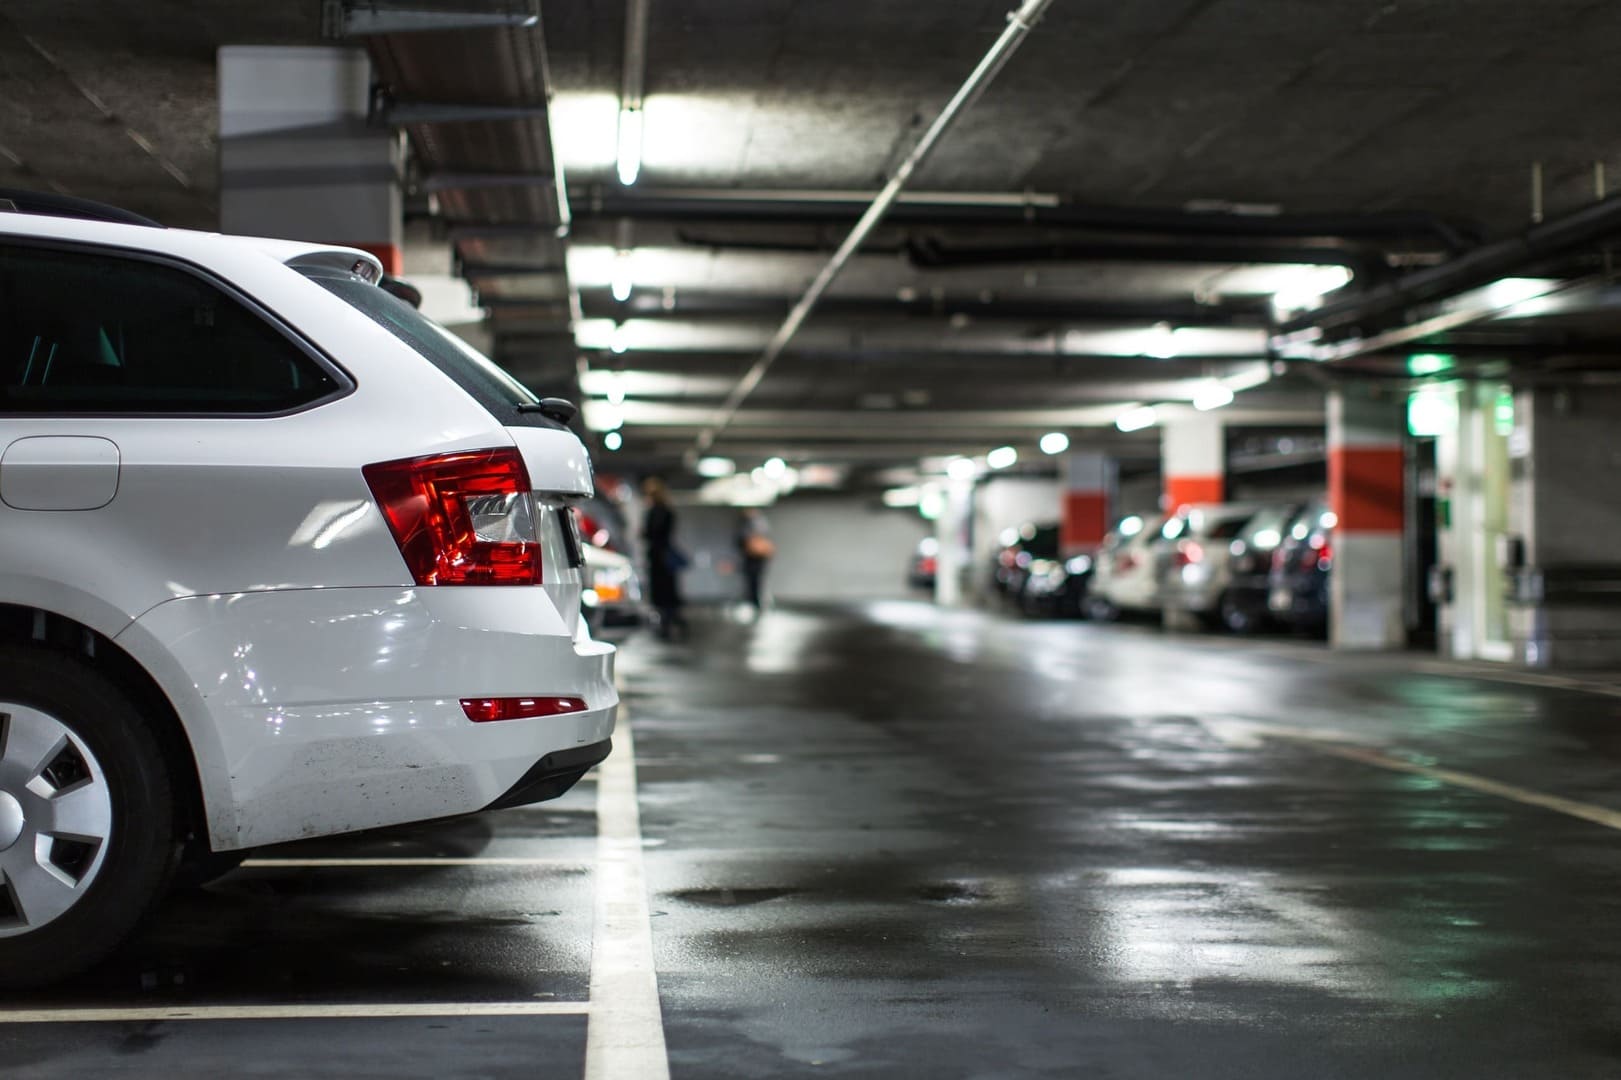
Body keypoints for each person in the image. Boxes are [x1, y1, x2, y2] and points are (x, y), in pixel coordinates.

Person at [640, 476, 688, 639]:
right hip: (664, 556)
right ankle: (673, 620)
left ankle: (667, 624)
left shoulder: (655, 512)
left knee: (662, 593)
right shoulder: (668, 510)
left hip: (658, 557)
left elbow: (650, 533)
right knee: (668, 592)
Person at [735, 507, 774, 615]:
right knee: (753, 580)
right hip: (753, 556)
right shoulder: (750, 523)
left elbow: (749, 536)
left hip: (756, 556)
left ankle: (756, 603)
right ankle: (754, 602)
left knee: (755, 581)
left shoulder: (756, 523)